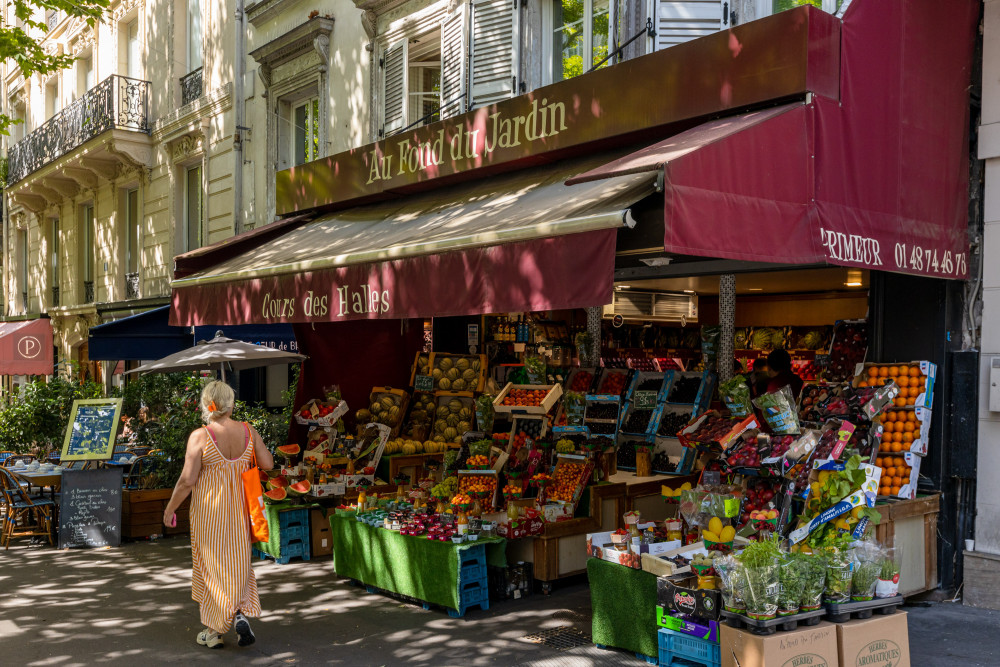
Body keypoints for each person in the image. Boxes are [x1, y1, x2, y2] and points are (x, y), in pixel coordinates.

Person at [163, 380, 274, 650]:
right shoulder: (248, 431)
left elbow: (187, 481)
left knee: (212, 569)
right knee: (238, 566)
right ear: (231, 404)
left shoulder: (200, 436)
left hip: (209, 514)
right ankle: (237, 615)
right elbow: (268, 463)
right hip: (241, 513)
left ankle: (214, 631)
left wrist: (170, 508)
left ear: (206, 405)